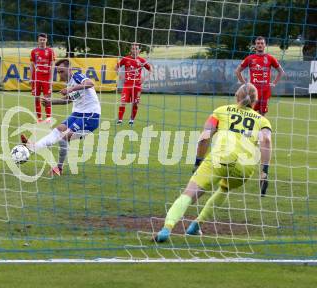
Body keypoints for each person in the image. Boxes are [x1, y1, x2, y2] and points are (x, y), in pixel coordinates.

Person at [154, 83, 272, 242]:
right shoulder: (263, 120)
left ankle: (166, 229)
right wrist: (264, 171)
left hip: (219, 159)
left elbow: (204, 137)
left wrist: (198, 161)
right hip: (245, 167)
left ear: (236, 97)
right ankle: (196, 225)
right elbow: (266, 141)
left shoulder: (220, 111)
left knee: (189, 194)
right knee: (224, 188)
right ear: (255, 102)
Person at [21, 59, 101, 176]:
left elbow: (90, 83)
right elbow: (68, 100)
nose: (60, 74)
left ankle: (58, 167)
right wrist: (50, 102)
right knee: (57, 130)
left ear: (69, 69)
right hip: (77, 114)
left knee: (64, 137)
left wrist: (71, 89)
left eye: (61, 71)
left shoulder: (77, 76)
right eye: (58, 72)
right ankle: (33, 147)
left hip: (91, 115)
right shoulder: (69, 83)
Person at [235, 36, 285, 115]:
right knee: (250, 114)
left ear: (265, 45)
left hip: (265, 91)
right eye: (258, 43)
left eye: (262, 43)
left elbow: (281, 72)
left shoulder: (270, 58)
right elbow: (237, 71)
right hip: (253, 92)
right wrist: (245, 84)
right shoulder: (250, 58)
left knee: (262, 115)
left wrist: (274, 83)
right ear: (255, 45)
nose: (260, 45)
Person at [116, 43, 152, 126]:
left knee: (135, 103)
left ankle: (131, 121)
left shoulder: (142, 60)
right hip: (127, 85)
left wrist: (144, 78)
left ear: (139, 50)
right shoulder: (125, 59)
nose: (134, 50)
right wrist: (121, 76)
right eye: (133, 48)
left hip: (137, 86)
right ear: (131, 50)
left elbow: (150, 69)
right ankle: (120, 120)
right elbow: (116, 67)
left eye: (136, 49)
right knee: (122, 102)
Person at [30, 33, 56, 123]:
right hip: (36, 78)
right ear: (38, 40)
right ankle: (39, 118)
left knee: (47, 98)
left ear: (46, 40)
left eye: (43, 40)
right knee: (37, 97)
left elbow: (52, 65)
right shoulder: (34, 51)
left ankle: (48, 118)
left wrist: (51, 79)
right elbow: (31, 65)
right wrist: (31, 78)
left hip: (46, 78)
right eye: (40, 40)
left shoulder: (50, 51)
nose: (42, 41)